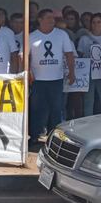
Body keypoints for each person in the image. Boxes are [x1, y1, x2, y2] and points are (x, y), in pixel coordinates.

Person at [28, 9, 76, 146]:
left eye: (53, 18)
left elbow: (69, 54)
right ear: (40, 20)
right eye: (48, 18)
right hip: (38, 80)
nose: (51, 21)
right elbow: (24, 56)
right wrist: (27, 72)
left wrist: (72, 72)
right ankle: (34, 136)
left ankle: (55, 137)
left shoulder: (61, 35)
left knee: (57, 109)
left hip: (56, 79)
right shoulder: (32, 36)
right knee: (37, 109)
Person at [77, 13, 101, 116]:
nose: (96, 24)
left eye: (98, 22)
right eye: (93, 22)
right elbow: (80, 57)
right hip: (88, 73)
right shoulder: (84, 39)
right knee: (88, 100)